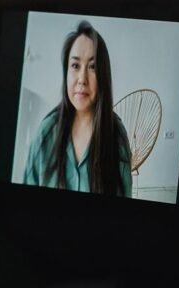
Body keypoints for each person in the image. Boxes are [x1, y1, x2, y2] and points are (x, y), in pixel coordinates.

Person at [23, 20, 133, 196]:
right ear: (66, 72)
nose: (82, 78)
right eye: (75, 66)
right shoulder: (45, 133)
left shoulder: (116, 136)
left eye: (93, 67)